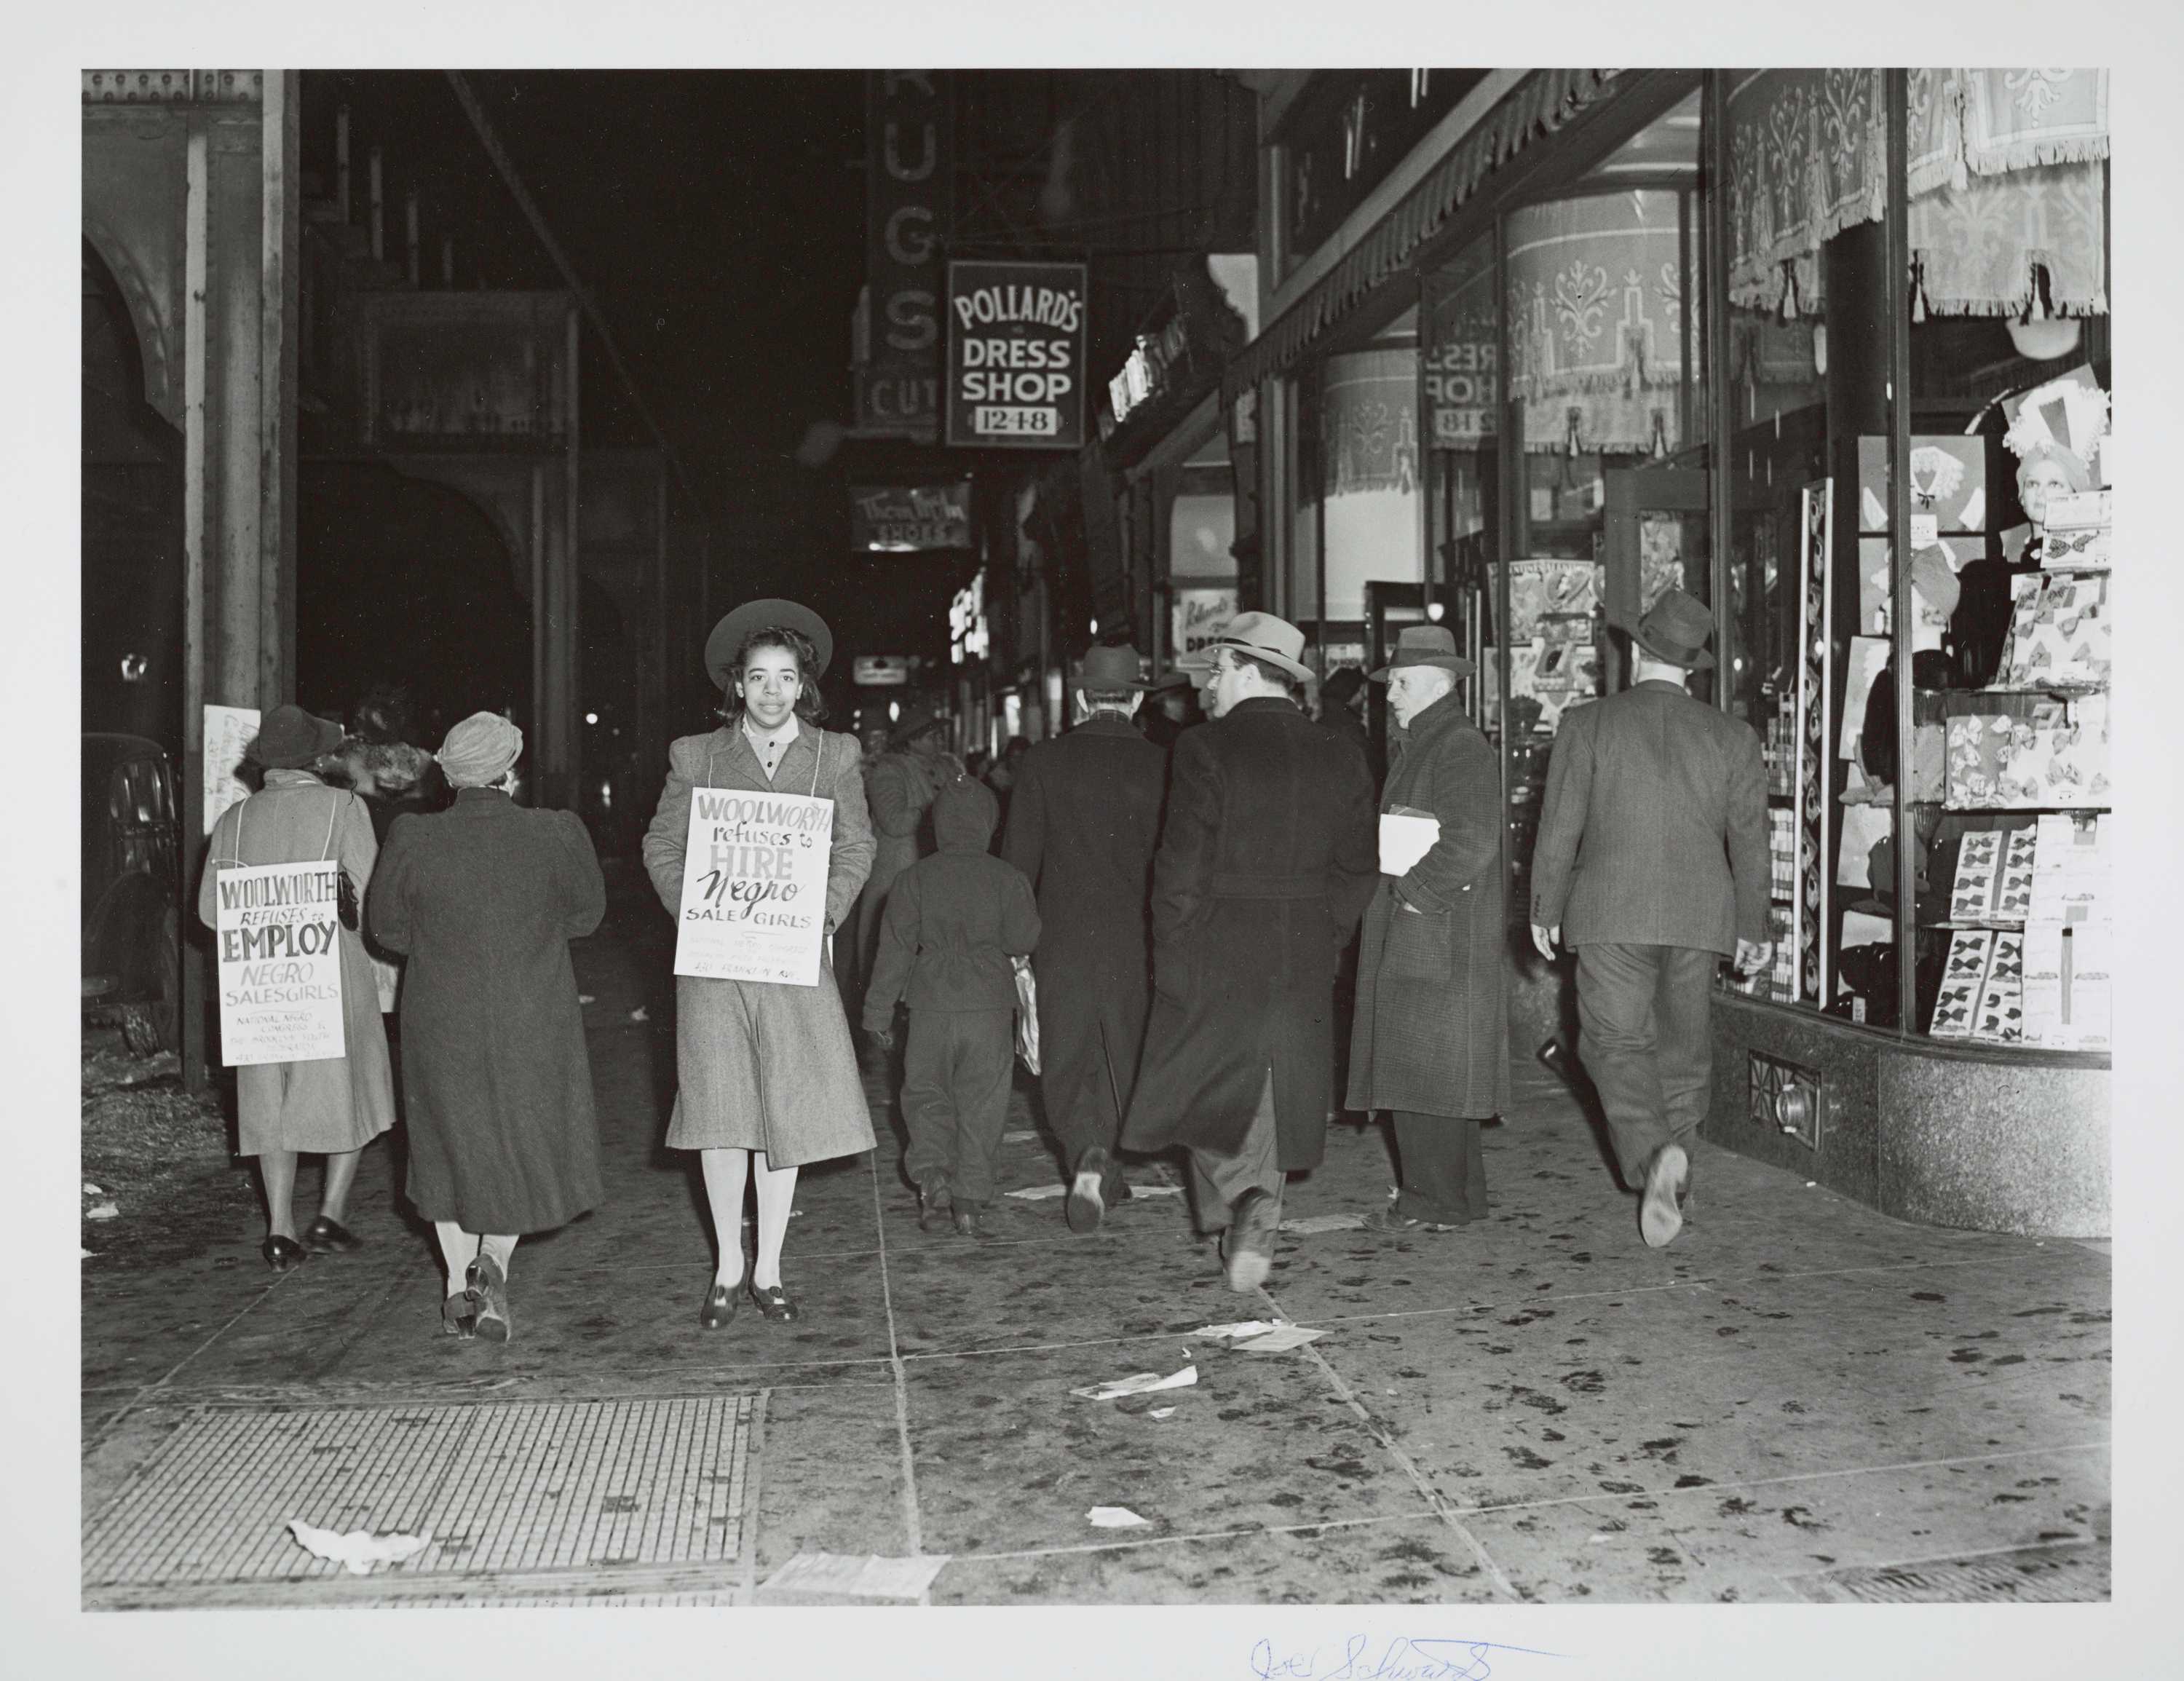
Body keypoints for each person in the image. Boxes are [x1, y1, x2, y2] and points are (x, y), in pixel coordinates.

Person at [1123, 614, 1378, 1292]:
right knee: (1274, 1083)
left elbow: (1180, 866)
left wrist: (1171, 952)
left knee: (1206, 1083)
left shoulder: (1205, 748)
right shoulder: (1341, 752)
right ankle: (1259, 1199)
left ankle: (1247, 1198)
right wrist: (1329, 931)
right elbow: (1360, 866)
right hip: (1302, 940)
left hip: (1219, 936)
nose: (1208, 685)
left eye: (1216, 670)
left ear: (1240, 667)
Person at [642, 601, 877, 1327]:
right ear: (736, 686)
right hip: (717, 964)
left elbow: (857, 847)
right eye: (758, 677)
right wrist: (701, 912)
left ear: (804, 685)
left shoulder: (836, 755)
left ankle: (769, 1266)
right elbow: (662, 847)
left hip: (793, 958)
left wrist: (819, 912)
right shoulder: (697, 755)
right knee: (721, 1114)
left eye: (786, 677)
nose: (773, 690)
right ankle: (727, 1266)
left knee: (786, 1110)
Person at [1529, 588, 1772, 1249]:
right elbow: (1752, 840)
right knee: (1682, 1049)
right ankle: (1677, 1166)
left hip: (1610, 910)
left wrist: (1545, 907)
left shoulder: (1588, 724)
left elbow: (1560, 830)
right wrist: (1755, 926)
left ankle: (1653, 1156)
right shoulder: (1733, 736)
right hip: (1700, 915)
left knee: (1612, 1042)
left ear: (1637, 651)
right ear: (1692, 667)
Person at [365, 712, 605, 1341]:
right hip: (533, 1014)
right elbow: (586, 916)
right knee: (518, 1142)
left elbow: (386, 929)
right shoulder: (555, 832)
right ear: (511, 771)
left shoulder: (412, 837)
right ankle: (491, 1262)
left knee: (447, 1147)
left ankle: (458, 1285)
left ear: (448, 775)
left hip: (442, 1016)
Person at [197, 705, 396, 1270]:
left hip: (261, 985)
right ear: (316, 760)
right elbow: (372, 898)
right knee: (351, 1091)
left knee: (272, 1103)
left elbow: (211, 912)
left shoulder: (235, 820)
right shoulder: (344, 808)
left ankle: (280, 1229)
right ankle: (330, 1211)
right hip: (331, 978)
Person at [1000, 644, 1170, 1231]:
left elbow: (1017, 866)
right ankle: (1109, 1162)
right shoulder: (1163, 766)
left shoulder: (1043, 763)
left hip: (1062, 936)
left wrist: (1017, 949)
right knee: (1124, 1051)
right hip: (1138, 938)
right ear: (1139, 699)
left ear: (1079, 698)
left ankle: (1087, 1158)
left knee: (1068, 1056)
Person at [1347, 626, 1508, 1233]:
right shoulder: (1431, 741)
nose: (1391, 694)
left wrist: (1413, 897)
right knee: (1432, 1073)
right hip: (1431, 932)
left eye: (1402, 683)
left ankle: (1432, 1201)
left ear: (1442, 682)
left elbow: (1472, 841)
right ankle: (1454, 1196)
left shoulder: (1455, 745)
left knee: (1426, 1074)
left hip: (1435, 931)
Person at [862, 775, 1041, 1238]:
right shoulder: (1008, 877)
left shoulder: (912, 879)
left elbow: (895, 950)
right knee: (983, 1102)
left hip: (929, 1008)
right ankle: (969, 1200)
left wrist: (877, 1014)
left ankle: (934, 1181)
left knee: (925, 1094)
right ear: (988, 824)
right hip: (989, 1008)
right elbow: (1023, 939)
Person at [850, 703, 957, 994]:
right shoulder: (888, 770)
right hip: (897, 875)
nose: (939, 740)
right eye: (931, 735)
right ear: (911, 740)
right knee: (892, 959)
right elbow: (894, 821)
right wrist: (939, 811)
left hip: (937, 877)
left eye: (939, 734)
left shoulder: (949, 767)